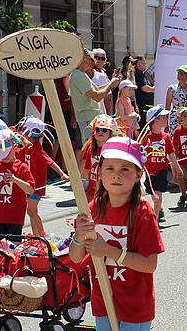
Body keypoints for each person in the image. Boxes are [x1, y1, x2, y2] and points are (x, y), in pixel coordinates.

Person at [70, 137, 165, 331]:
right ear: (100, 173)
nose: (116, 175)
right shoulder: (93, 209)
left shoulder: (143, 211)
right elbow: (75, 257)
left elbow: (149, 265)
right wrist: (79, 235)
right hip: (103, 300)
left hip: (135, 305)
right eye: (110, 168)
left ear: (138, 174)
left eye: (125, 169)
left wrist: (108, 250)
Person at [19, 116, 68, 236]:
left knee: (31, 210)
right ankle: (36, 236)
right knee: (30, 211)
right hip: (26, 184)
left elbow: (50, 162)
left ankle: (42, 236)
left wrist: (62, 174)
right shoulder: (22, 148)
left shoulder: (36, 148)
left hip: (36, 185)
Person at [141, 106, 182, 223]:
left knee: (157, 195)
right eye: (163, 117)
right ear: (154, 120)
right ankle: (160, 210)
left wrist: (176, 167)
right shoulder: (146, 137)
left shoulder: (166, 137)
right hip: (149, 172)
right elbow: (139, 153)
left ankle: (154, 220)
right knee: (154, 196)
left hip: (161, 170)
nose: (166, 119)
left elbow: (171, 153)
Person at [71, 50, 121, 144]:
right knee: (91, 148)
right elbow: (96, 96)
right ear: (82, 59)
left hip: (91, 118)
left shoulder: (81, 74)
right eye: (90, 58)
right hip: (88, 118)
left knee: (96, 148)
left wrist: (112, 82)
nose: (93, 61)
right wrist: (111, 84)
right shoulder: (78, 75)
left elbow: (96, 89)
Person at [81, 115, 119, 202]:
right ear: (93, 133)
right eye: (97, 130)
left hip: (107, 186)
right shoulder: (90, 148)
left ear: (110, 133)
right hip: (92, 185)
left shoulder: (112, 149)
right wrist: (78, 180)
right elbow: (87, 167)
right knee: (90, 209)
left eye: (104, 130)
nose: (100, 132)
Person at [165, 65, 187, 134]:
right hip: (176, 120)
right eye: (178, 73)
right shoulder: (172, 88)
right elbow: (167, 107)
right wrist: (166, 124)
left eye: (182, 73)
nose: (179, 75)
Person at [133, 56, 155, 129]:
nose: (145, 65)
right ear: (138, 64)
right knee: (144, 126)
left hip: (145, 104)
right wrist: (153, 89)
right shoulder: (138, 74)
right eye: (143, 63)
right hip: (143, 105)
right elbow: (143, 88)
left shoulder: (140, 73)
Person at [91, 48, 113, 114]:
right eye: (97, 58)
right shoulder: (90, 72)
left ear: (106, 60)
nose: (100, 60)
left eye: (103, 59)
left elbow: (108, 94)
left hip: (102, 110)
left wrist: (109, 113)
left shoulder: (104, 73)